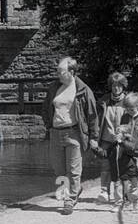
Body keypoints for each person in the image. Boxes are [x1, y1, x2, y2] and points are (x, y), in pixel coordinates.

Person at [42, 56, 100, 214]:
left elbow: (92, 115)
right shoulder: (54, 87)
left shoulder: (83, 90)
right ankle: (75, 190)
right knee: (59, 169)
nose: (58, 74)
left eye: (61, 72)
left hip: (74, 132)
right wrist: (48, 125)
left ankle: (70, 199)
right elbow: (46, 107)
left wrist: (94, 138)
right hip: (55, 133)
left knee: (74, 169)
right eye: (58, 71)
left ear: (72, 72)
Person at [97, 71, 129, 205]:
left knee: (123, 168)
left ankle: (124, 195)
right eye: (114, 85)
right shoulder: (104, 101)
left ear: (123, 86)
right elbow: (97, 121)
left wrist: (124, 133)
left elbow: (133, 121)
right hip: (106, 139)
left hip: (122, 141)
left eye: (119, 85)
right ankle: (105, 192)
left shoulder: (128, 101)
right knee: (105, 167)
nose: (116, 88)